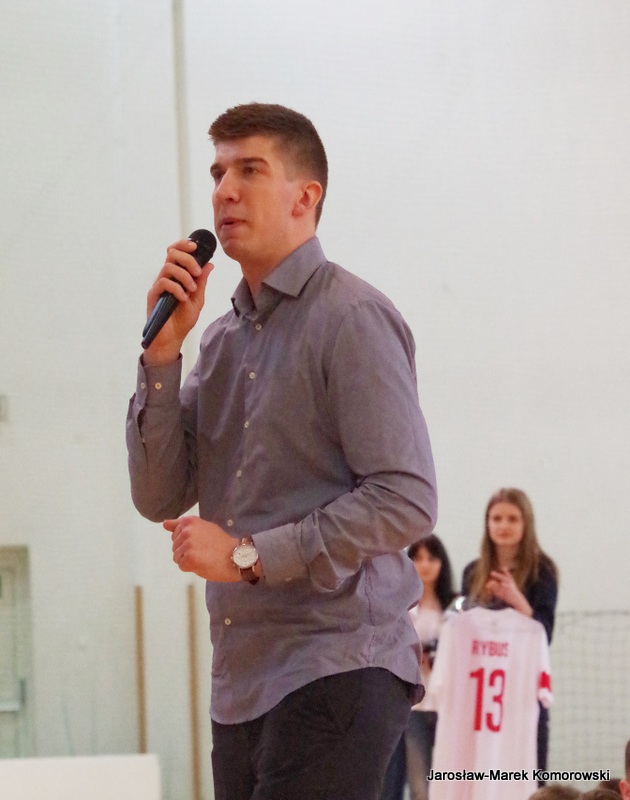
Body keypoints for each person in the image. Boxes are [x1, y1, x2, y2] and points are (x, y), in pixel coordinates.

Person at [126, 103, 437, 800]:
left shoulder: (352, 318)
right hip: (242, 680)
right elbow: (158, 494)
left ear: (305, 197)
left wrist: (247, 556)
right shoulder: (219, 342)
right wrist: (163, 355)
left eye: (250, 170)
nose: (225, 191)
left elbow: (406, 499)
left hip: (338, 662)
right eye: (217, 173)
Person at [461, 488, 558, 777]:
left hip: (523, 685)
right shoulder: (473, 572)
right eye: (496, 518)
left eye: (512, 519)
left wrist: (516, 599)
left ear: (526, 523)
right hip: (483, 689)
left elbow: (544, 633)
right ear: (487, 523)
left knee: (529, 774)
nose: (503, 525)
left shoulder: (542, 571)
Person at [381, 534, 455, 800]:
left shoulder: (454, 609)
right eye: (418, 558)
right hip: (415, 705)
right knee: (420, 786)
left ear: (442, 563)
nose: (424, 565)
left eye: (431, 558)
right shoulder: (401, 608)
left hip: (448, 705)